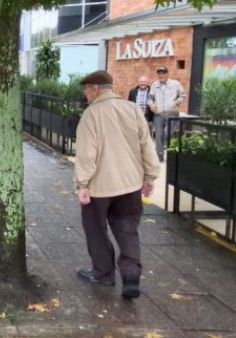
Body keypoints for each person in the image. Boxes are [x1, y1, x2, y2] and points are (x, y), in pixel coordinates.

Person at [74, 70, 161, 300]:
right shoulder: (132, 109)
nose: (86, 95)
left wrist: (82, 184)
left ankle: (104, 274)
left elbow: (86, 154)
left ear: (94, 89)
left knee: (96, 229)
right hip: (131, 185)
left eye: (86, 90)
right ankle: (131, 273)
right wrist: (150, 176)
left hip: (99, 188)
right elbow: (147, 145)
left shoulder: (91, 115)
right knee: (127, 229)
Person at [148, 66, 186, 162]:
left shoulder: (175, 84)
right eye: (159, 73)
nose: (161, 75)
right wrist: (151, 105)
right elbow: (150, 98)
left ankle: (164, 147)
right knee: (159, 134)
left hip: (172, 113)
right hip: (158, 114)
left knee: (166, 133)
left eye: (163, 73)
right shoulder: (155, 85)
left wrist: (176, 102)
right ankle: (159, 155)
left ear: (167, 74)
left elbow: (182, 96)